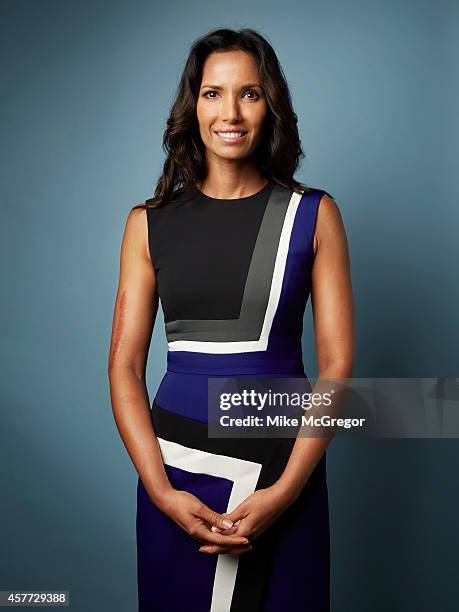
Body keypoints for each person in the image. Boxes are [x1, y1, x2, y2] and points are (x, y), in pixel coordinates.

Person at [108, 27, 354, 612]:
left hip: (282, 473)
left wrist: (285, 491)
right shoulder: (148, 222)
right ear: (192, 105)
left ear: (271, 105)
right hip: (178, 474)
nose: (231, 112)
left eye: (249, 93)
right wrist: (162, 492)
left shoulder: (313, 214)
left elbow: (339, 366)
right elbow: (123, 367)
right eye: (213, 93)